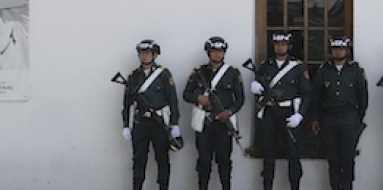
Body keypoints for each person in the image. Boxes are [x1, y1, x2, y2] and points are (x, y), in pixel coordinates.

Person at [250, 30, 311, 190]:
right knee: (268, 154)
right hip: (270, 113)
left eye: (283, 44)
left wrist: (300, 115)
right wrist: (256, 86)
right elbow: (259, 86)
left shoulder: (297, 67)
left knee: (293, 154)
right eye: (277, 44)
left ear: (289, 46)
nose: (280, 47)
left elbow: (307, 93)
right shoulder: (265, 66)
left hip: (289, 113)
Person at [183, 36, 245, 190]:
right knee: (204, 161)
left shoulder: (232, 72)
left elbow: (240, 99)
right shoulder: (199, 71)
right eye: (214, 51)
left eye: (220, 51)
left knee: (224, 161)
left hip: (223, 123)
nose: (217, 54)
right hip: (204, 122)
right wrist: (198, 98)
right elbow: (186, 94)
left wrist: (229, 112)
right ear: (208, 52)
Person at [122, 39, 181, 190]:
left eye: (148, 53)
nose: (145, 56)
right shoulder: (133, 76)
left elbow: (172, 100)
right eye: (142, 53)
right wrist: (126, 126)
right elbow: (127, 104)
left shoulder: (163, 74)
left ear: (155, 55)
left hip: (159, 123)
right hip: (140, 123)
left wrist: (174, 123)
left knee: (162, 159)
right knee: (139, 160)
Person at [311, 36, 368, 190]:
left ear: (347, 51)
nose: (338, 52)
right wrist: (316, 118)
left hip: (349, 118)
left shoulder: (356, 71)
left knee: (348, 157)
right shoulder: (324, 70)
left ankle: (347, 186)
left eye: (341, 49)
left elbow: (363, 97)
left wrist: (358, 119)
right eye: (335, 49)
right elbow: (316, 96)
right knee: (333, 158)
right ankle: (335, 187)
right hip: (328, 118)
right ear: (331, 51)